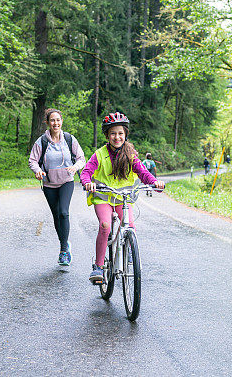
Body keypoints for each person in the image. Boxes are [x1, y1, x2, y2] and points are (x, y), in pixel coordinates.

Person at [81, 112, 164, 284]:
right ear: (107, 135)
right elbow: (86, 172)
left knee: (130, 226)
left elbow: (143, 172)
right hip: (103, 197)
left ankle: (127, 250)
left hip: (122, 199)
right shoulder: (100, 154)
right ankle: (98, 267)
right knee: (105, 226)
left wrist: (154, 182)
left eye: (120, 133)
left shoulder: (130, 154)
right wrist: (88, 182)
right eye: (113, 133)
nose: (117, 137)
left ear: (125, 134)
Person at [28, 108, 86, 266]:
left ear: (62, 121)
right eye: (52, 120)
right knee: (56, 216)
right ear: (47, 122)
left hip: (66, 181)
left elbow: (81, 158)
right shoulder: (42, 141)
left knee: (63, 213)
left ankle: (64, 251)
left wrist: (75, 167)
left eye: (58, 120)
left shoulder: (69, 139)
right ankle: (64, 245)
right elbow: (32, 160)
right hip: (48, 184)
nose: (56, 123)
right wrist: (38, 170)